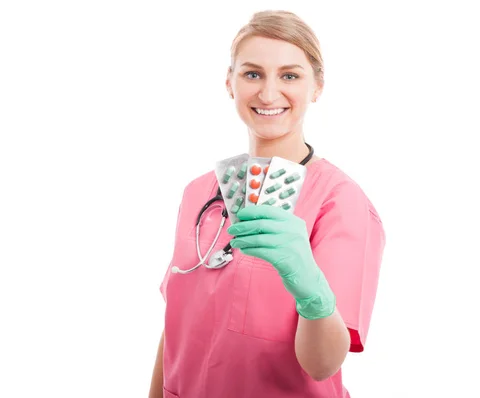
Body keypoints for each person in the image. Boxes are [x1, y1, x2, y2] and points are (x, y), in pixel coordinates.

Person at [148, 10, 386, 398]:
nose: (269, 93)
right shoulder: (199, 192)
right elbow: (175, 325)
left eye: (289, 75)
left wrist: (312, 291)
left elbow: (323, 364)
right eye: (252, 74)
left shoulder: (340, 202)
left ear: (317, 87)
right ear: (230, 82)